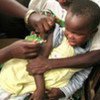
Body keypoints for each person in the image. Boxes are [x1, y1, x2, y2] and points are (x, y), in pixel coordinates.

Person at [0, 0, 99, 100]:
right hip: (25, 79)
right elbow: (36, 60)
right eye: (68, 29)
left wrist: (63, 92)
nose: (70, 35)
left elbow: (79, 78)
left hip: (43, 90)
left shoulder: (88, 56)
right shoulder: (57, 35)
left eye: (78, 34)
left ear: (92, 32)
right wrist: (40, 89)